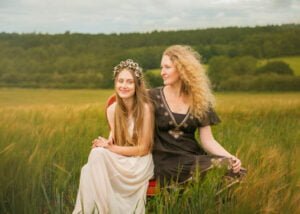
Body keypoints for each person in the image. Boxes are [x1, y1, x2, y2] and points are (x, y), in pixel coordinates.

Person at [149, 45, 243, 186]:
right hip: (164, 159)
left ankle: (209, 207)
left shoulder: (199, 100)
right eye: (162, 67)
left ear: (182, 69)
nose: (162, 72)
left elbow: (208, 141)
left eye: (167, 67)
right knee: (216, 168)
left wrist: (231, 157)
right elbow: (122, 106)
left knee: (233, 168)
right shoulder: (151, 97)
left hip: (192, 157)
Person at [73, 59, 154, 214]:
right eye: (120, 81)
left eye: (129, 82)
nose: (123, 86)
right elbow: (115, 140)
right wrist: (105, 145)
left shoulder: (145, 109)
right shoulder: (112, 110)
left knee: (91, 167)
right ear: (115, 83)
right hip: (122, 158)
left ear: (137, 85)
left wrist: (110, 147)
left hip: (140, 163)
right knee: (93, 160)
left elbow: (144, 149)